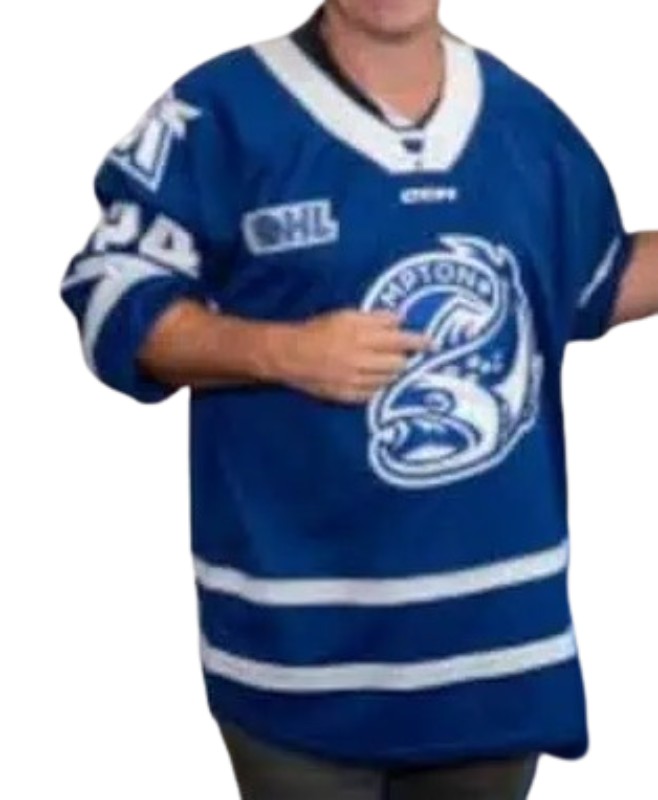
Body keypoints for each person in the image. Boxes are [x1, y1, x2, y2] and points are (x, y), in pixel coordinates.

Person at [60, 1, 658, 797]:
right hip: (299, 654)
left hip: (497, 649)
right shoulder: (217, 113)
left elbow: (593, 280)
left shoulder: (526, 123)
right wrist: (283, 352)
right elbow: (112, 300)